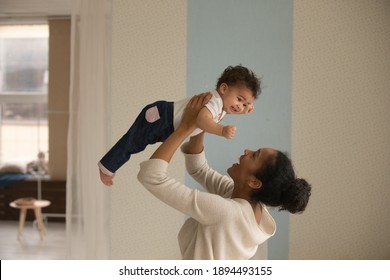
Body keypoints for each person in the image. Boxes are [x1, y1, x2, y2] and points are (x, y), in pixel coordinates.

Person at [137, 93, 312, 260]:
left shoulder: (226, 212)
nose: (246, 151)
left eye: (254, 155)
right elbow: (199, 169)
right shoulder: (248, 202)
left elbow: (152, 177)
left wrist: (185, 127)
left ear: (254, 182)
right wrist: (202, 123)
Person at [99, 65, 261, 186]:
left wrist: (247, 108)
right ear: (223, 88)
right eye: (239, 99)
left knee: (137, 143)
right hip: (162, 118)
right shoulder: (215, 101)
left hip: (168, 127)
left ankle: (109, 166)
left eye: (245, 105)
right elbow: (202, 121)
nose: (240, 107)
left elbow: (202, 123)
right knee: (133, 142)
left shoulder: (223, 107)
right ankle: (107, 167)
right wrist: (221, 130)